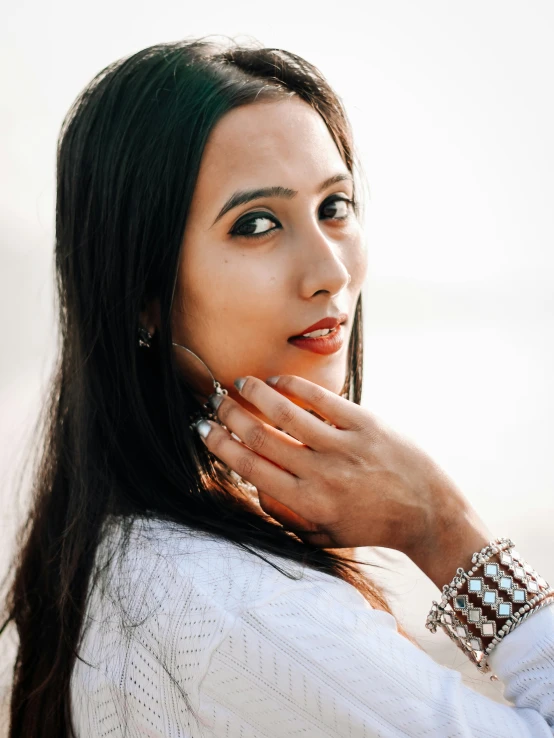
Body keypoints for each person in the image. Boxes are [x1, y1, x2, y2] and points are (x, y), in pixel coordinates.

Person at [2, 36, 553, 738]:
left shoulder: (124, 549)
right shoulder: (236, 609)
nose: (330, 271)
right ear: (144, 293)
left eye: (335, 206)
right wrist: (443, 528)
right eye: (257, 224)